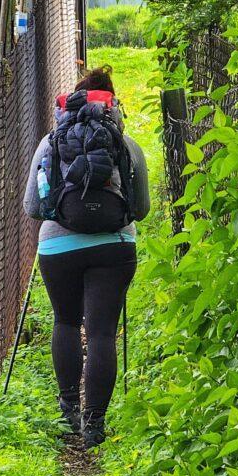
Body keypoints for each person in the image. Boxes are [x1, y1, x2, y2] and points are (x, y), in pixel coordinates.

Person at [23, 65, 150, 449]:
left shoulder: (51, 142)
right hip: (114, 246)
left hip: (58, 247)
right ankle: (94, 424)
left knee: (65, 322)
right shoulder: (126, 145)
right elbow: (140, 209)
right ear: (113, 106)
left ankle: (68, 412)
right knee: (100, 333)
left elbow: (32, 206)